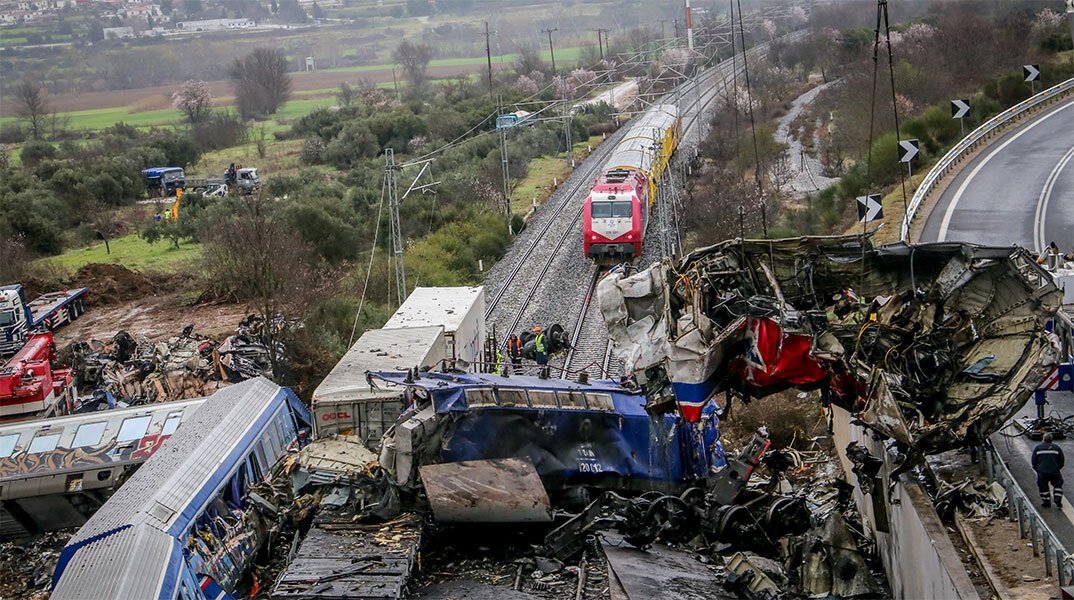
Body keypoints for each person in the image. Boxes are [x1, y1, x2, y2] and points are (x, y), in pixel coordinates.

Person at [1031, 433, 1064, 508]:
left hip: (1042, 472)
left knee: (1043, 487)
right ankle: (1057, 499)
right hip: (1054, 471)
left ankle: (1046, 502)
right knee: (1058, 484)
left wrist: (1038, 470)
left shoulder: (1038, 448)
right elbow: (1061, 461)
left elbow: (1034, 461)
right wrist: (1057, 468)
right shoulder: (1056, 448)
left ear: (1043, 439)